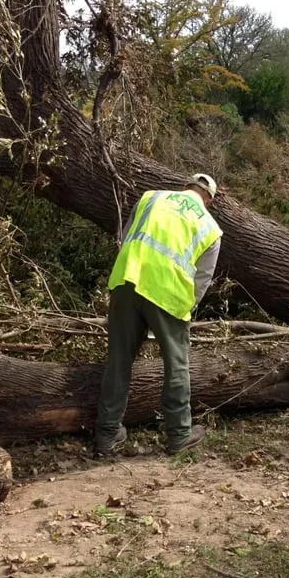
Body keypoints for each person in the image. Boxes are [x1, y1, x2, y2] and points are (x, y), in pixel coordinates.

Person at [95, 172, 222, 455]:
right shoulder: (211, 229)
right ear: (209, 200)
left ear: (184, 187)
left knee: (118, 360)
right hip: (168, 292)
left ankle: (106, 434)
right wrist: (184, 308)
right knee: (176, 365)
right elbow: (202, 279)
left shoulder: (151, 198)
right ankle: (179, 435)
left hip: (127, 279)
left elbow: (126, 237)